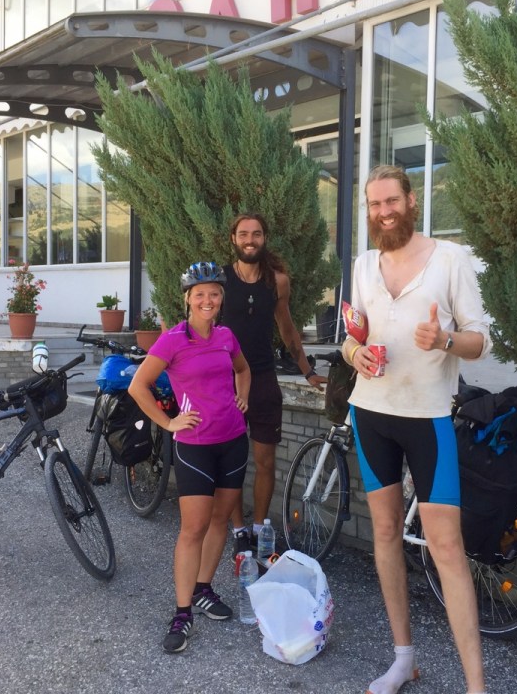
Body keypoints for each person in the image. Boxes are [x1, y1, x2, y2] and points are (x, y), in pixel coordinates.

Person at [343, 166, 491, 694]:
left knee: (446, 548)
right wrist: (355, 354)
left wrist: (445, 340)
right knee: (385, 534)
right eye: (374, 204)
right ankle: (403, 659)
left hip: (427, 417)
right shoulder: (363, 264)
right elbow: (351, 335)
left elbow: (480, 341)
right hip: (370, 413)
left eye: (392, 201)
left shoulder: (450, 258)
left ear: (411, 200)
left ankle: (476, 686)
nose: (384, 212)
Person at [128, 261, 251, 654]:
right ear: (187, 299)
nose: (207, 300)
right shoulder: (173, 340)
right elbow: (138, 386)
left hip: (234, 440)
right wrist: (168, 423)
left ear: (221, 298)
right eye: (200, 294)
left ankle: (203, 589)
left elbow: (243, 369)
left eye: (214, 294)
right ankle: (182, 613)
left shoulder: (227, 336)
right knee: (192, 528)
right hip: (195, 445)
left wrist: (242, 395)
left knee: (220, 520)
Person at [222, 213, 327, 551]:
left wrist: (306, 370)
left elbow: (287, 328)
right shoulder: (222, 280)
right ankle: (238, 531)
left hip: (264, 379)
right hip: (226, 381)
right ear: (233, 239)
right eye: (243, 234)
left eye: (256, 234)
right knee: (231, 462)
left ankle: (258, 529)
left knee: (266, 461)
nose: (249, 240)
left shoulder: (277, 282)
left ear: (264, 238)